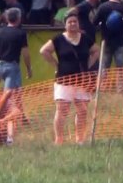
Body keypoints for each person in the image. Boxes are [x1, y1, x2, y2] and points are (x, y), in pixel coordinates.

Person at [40, 13, 97, 145]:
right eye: (70, 22)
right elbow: (44, 51)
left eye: (75, 22)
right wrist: (55, 64)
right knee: (62, 110)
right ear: (65, 25)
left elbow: (96, 50)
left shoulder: (85, 39)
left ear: (78, 24)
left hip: (82, 80)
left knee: (82, 110)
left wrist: (89, 64)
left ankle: (80, 139)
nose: (72, 24)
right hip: (63, 80)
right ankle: (59, 139)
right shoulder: (58, 39)